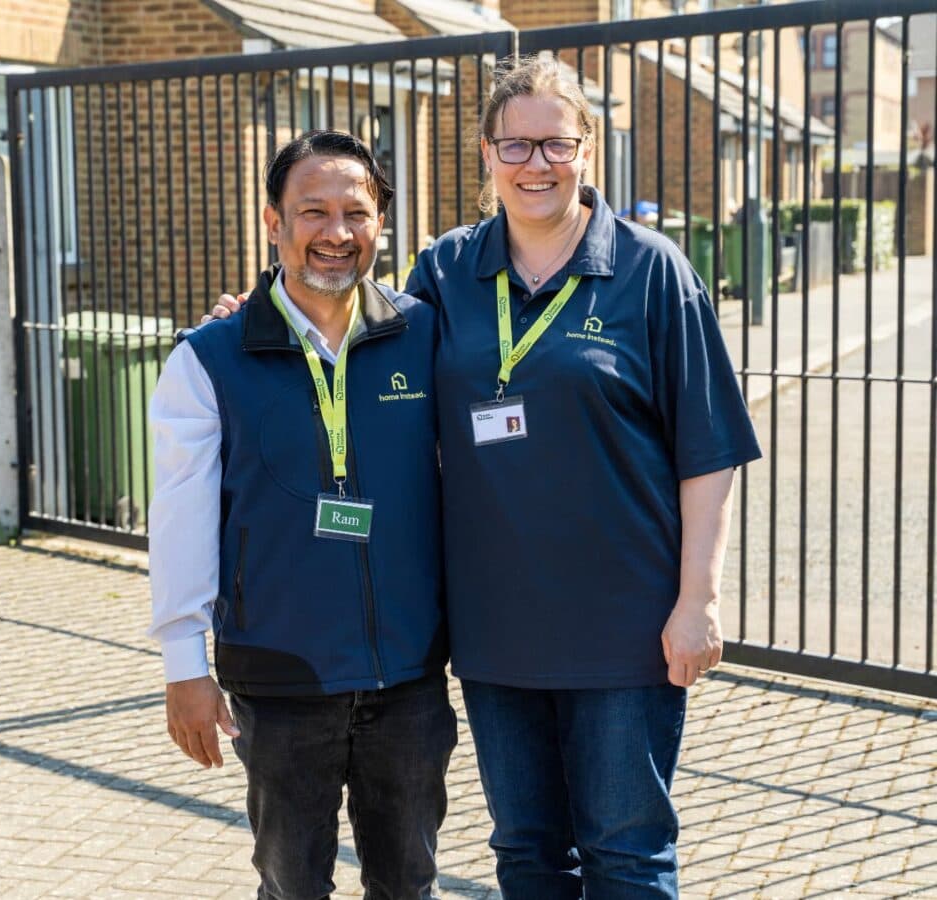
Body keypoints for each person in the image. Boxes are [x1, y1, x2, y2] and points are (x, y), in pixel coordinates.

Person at [210, 58, 761, 899]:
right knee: (528, 852)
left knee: (625, 852)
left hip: (624, 625)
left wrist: (699, 602)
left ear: (587, 150)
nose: (536, 164)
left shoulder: (651, 271)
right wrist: (253, 321)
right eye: (516, 144)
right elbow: (356, 339)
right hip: (496, 630)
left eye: (556, 143)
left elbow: (709, 449)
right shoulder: (447, 270)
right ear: (487, 153)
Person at [149, 130, 456, 900]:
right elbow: (181, 521)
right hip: (281, 678)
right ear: (272, 221)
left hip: (408, 676)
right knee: (292, 888)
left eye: (356, 213)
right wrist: (185, 666)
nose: (336, 232)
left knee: (409, 885)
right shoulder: (208, 359)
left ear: (381, 224)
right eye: (313, 211)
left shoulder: (426, 336)